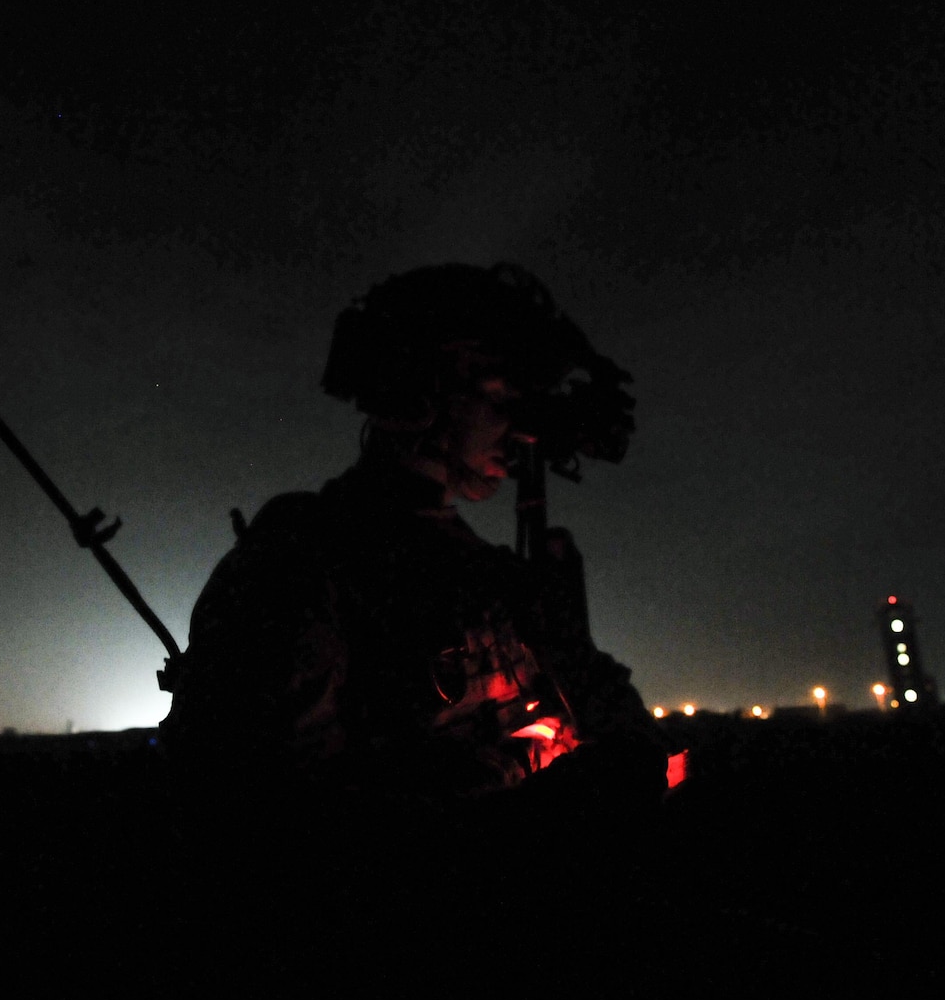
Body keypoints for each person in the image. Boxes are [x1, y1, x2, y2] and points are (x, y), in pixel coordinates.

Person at [161, 263, 672, 804]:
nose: (521, 432)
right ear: (420, 393)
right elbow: (255, 801)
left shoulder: (494, 572)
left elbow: (612, 722)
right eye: (500, 400)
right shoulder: (305, 554)